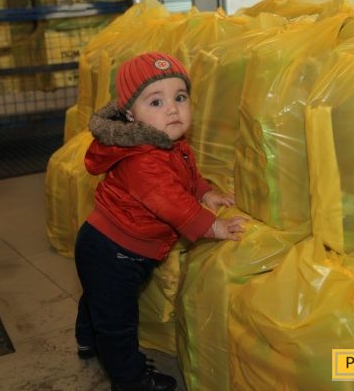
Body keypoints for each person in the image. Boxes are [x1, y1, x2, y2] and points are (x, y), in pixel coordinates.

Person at [74, 51, 246, 391]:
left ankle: (87, 341)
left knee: (100, 299)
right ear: (130, 115)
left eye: (180, 97)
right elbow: (171, 202)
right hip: (112, 250)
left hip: (120, 247)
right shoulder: (142, 159)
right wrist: (214, 226)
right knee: (118, 322)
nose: (172, 109)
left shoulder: (171, 144)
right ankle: (131, 380)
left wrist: (205, 192)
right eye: (156, 102)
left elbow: (185, 177)